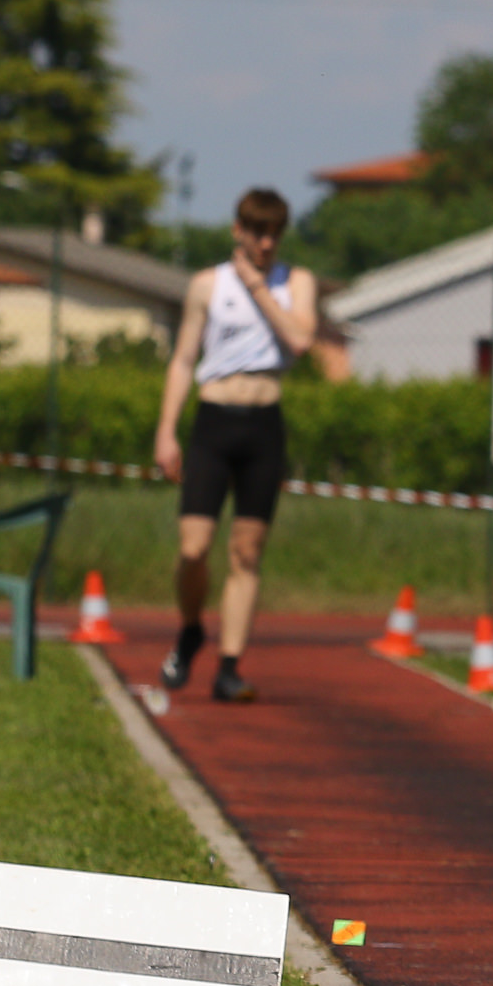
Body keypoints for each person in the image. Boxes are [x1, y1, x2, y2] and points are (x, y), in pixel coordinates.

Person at [152, 187, 319, 704]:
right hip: (214, 421)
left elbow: (300, 340)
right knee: (193, 548)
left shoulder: (296, 282)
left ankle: (228, 667)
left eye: (274, 234)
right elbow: (183, 359)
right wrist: (166, 430)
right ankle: (190, 628)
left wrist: (258, 288)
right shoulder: (207, 285)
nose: (266, 243)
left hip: (263, 423)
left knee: (246, 553)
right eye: (257, 233)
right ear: (238, 231)